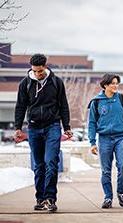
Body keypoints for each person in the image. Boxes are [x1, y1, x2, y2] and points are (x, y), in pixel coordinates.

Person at [14, 54, 72, 212]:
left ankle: (50, 198)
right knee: (39, 165)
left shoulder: (56, 82)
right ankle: (40, 199)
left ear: (45, 67)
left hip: (52, 126)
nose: (38, 74)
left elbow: (63, 106)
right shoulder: (25, 83)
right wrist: (18, 128)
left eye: (40, 71)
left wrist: (66, 126)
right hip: (33, 128)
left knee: (51, 162)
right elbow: (20, 106)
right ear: (31, 68)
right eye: (35, 71)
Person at [88, 73, 123, 209]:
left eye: (117, 83)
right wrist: (92, 142)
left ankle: (121, 191)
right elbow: (91, 123)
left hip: (121, 137)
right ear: (105, 85)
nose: (115, 86)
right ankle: (108, 197)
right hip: (104, 139)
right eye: (112, 83)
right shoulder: (96, 102)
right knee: (106, 171)